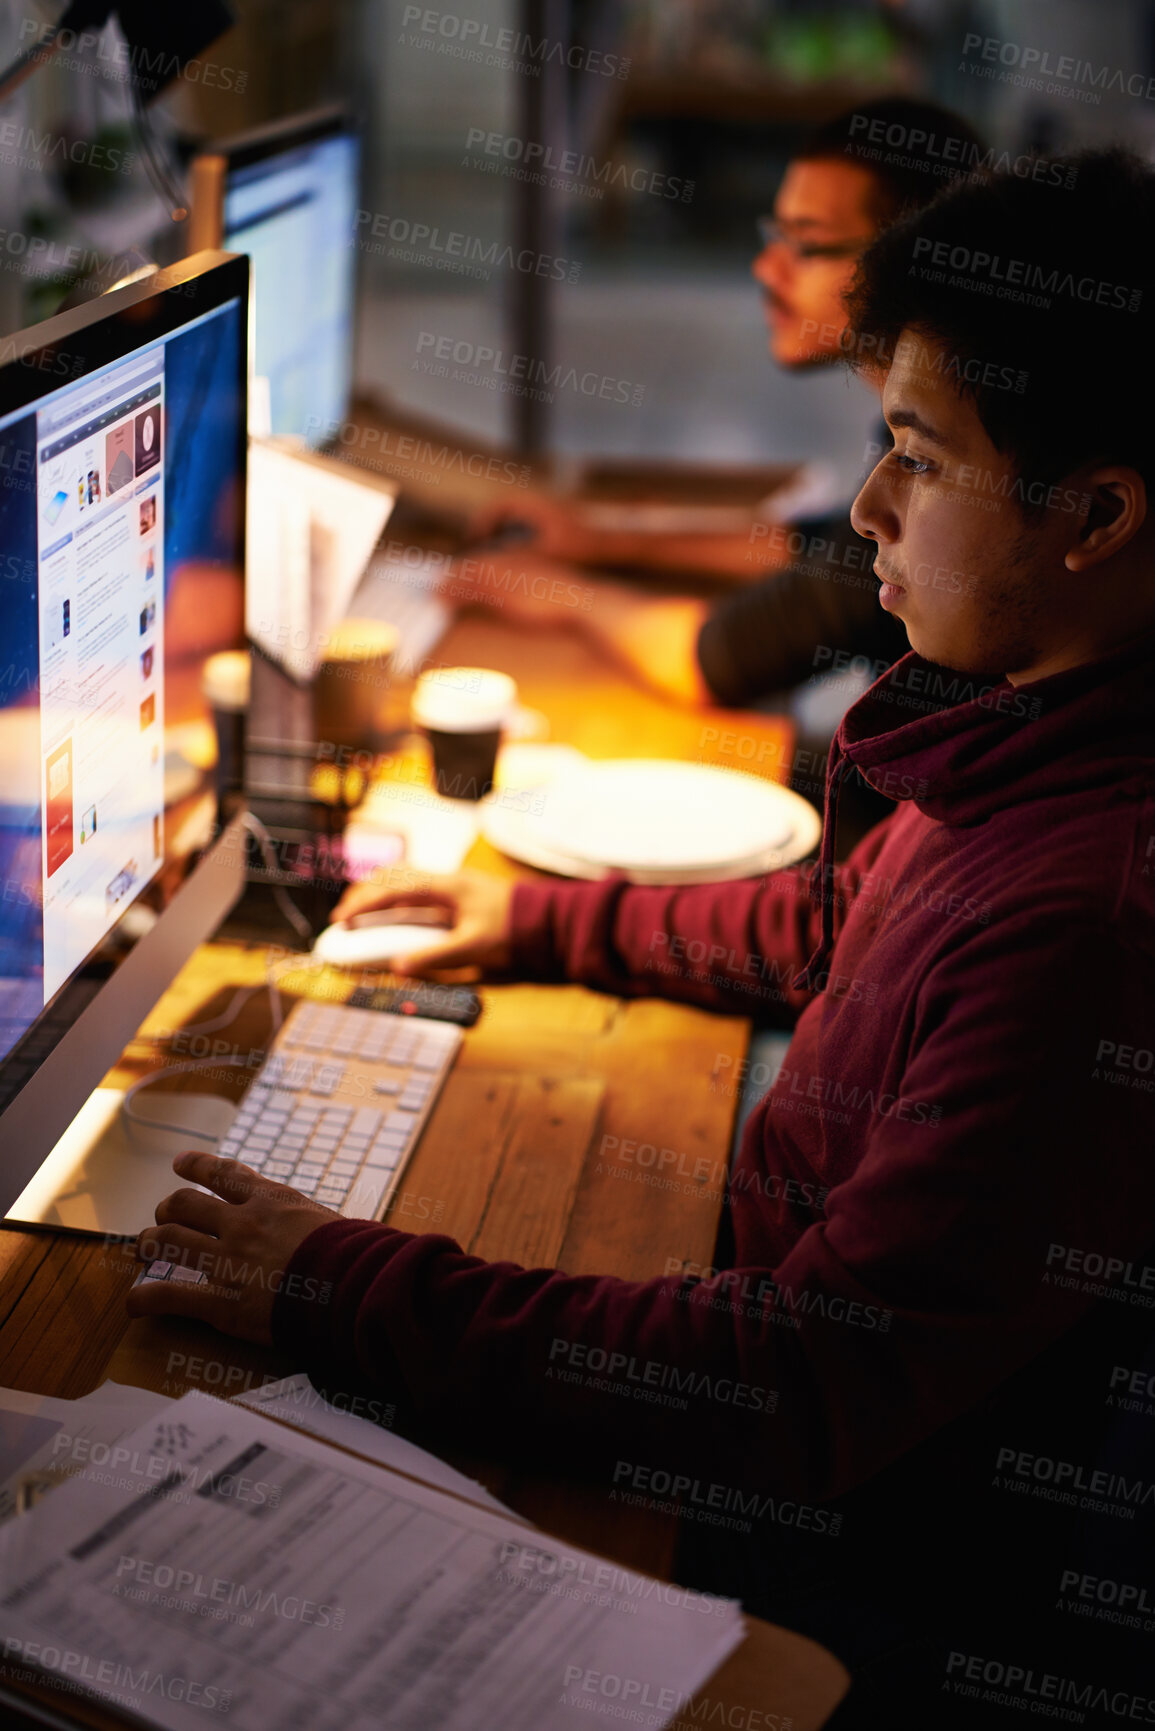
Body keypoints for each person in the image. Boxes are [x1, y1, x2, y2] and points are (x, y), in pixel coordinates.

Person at [131, 151, 1155, 1725]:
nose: (868, 509)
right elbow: (840, 926)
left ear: (1091, 516)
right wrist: (538, 914)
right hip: (797, 1390)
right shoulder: (1037, 734)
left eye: (919, 460)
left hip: (852, 1555)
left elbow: (801, 1387)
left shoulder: (1084, 905)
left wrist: (331, 1273)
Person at [457, 97, 985, 708]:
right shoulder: (923, 428)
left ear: (909, 263)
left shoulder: (936, 485)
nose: (766, 269)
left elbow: (714, 659)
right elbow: (815, 545)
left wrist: (560, 595)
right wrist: (609, 539)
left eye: (805, 246)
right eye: (774, 236)